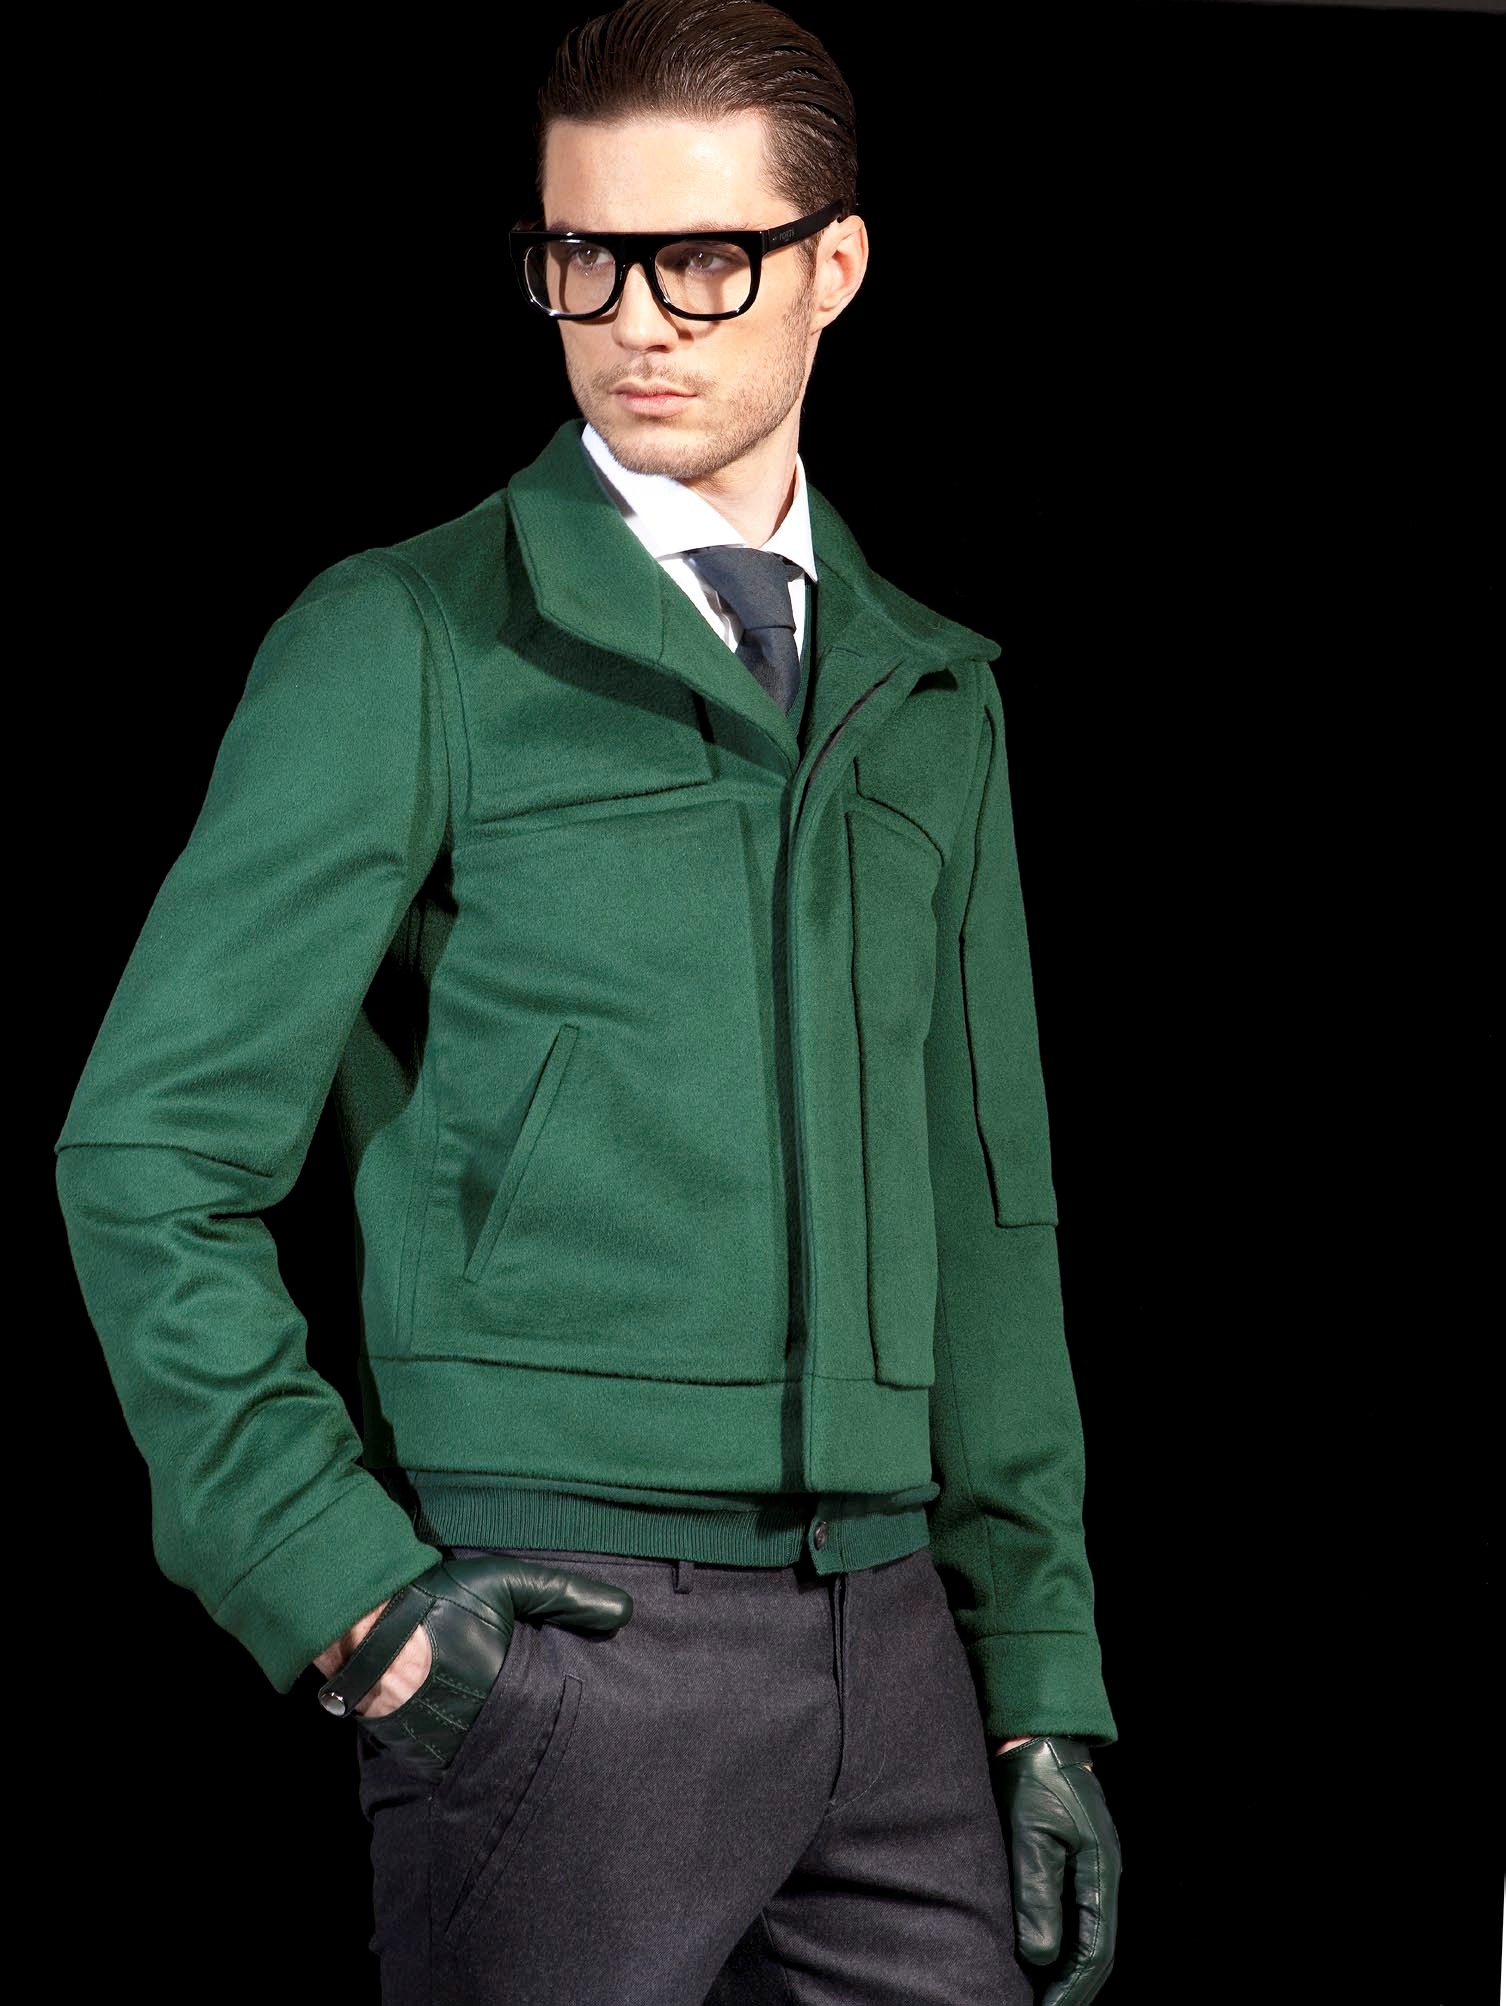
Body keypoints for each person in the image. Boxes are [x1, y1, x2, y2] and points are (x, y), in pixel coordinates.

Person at [52, 2, 1122, 1999]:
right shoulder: (413, 640)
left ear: (834, 265)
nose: (634, 319)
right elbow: (148, 1153)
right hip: (570, 1643)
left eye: (701, 258)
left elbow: (990, 1227)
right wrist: (346, 1591)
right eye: (582, 257)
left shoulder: (930, 698)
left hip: (899, 1652)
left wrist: (1037, 1669)